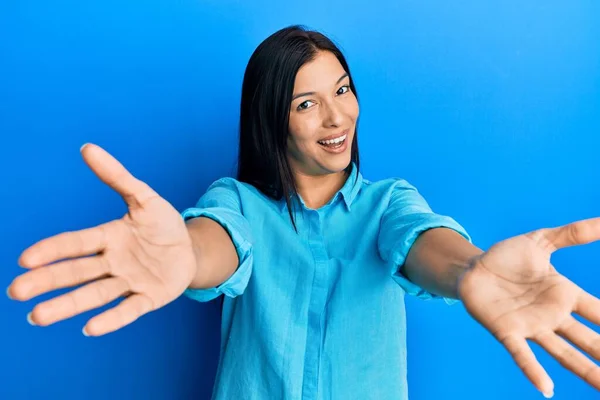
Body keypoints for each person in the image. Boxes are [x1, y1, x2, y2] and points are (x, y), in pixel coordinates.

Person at [6, 25, 600, 400]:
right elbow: (218, 243)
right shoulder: (237, 203)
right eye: (307, 104)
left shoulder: (388, 202)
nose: (337, 118)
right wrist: (183, 256)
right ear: (272, 120)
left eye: (343, 90)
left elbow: (422, 243)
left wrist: (472, 272)